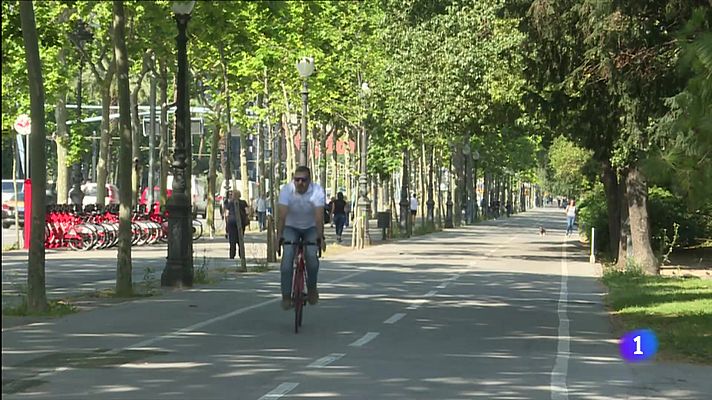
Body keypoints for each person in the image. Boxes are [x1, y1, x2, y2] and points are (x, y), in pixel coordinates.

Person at [275, 166, 326, 310]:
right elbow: (282, 216)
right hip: (291, 227)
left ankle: (311, 289)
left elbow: (318, 217)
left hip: (310, 227)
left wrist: (320, 237)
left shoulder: (317, 191)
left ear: (309, 181)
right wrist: (279, 237)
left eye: (303, 180)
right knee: (287, 258)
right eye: (296, 179)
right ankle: (286, 296)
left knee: (311, 257)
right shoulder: (286, 190)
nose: (299, 183)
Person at [224, 190, 249, 259]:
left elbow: (226, 214)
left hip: (231, 223)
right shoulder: (243, 203)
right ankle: (241, 255)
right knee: (240, 239)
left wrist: (226, 223)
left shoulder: (230, 203)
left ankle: (232, 255)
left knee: (232, 240)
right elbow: (247, 212)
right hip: (241, 222)